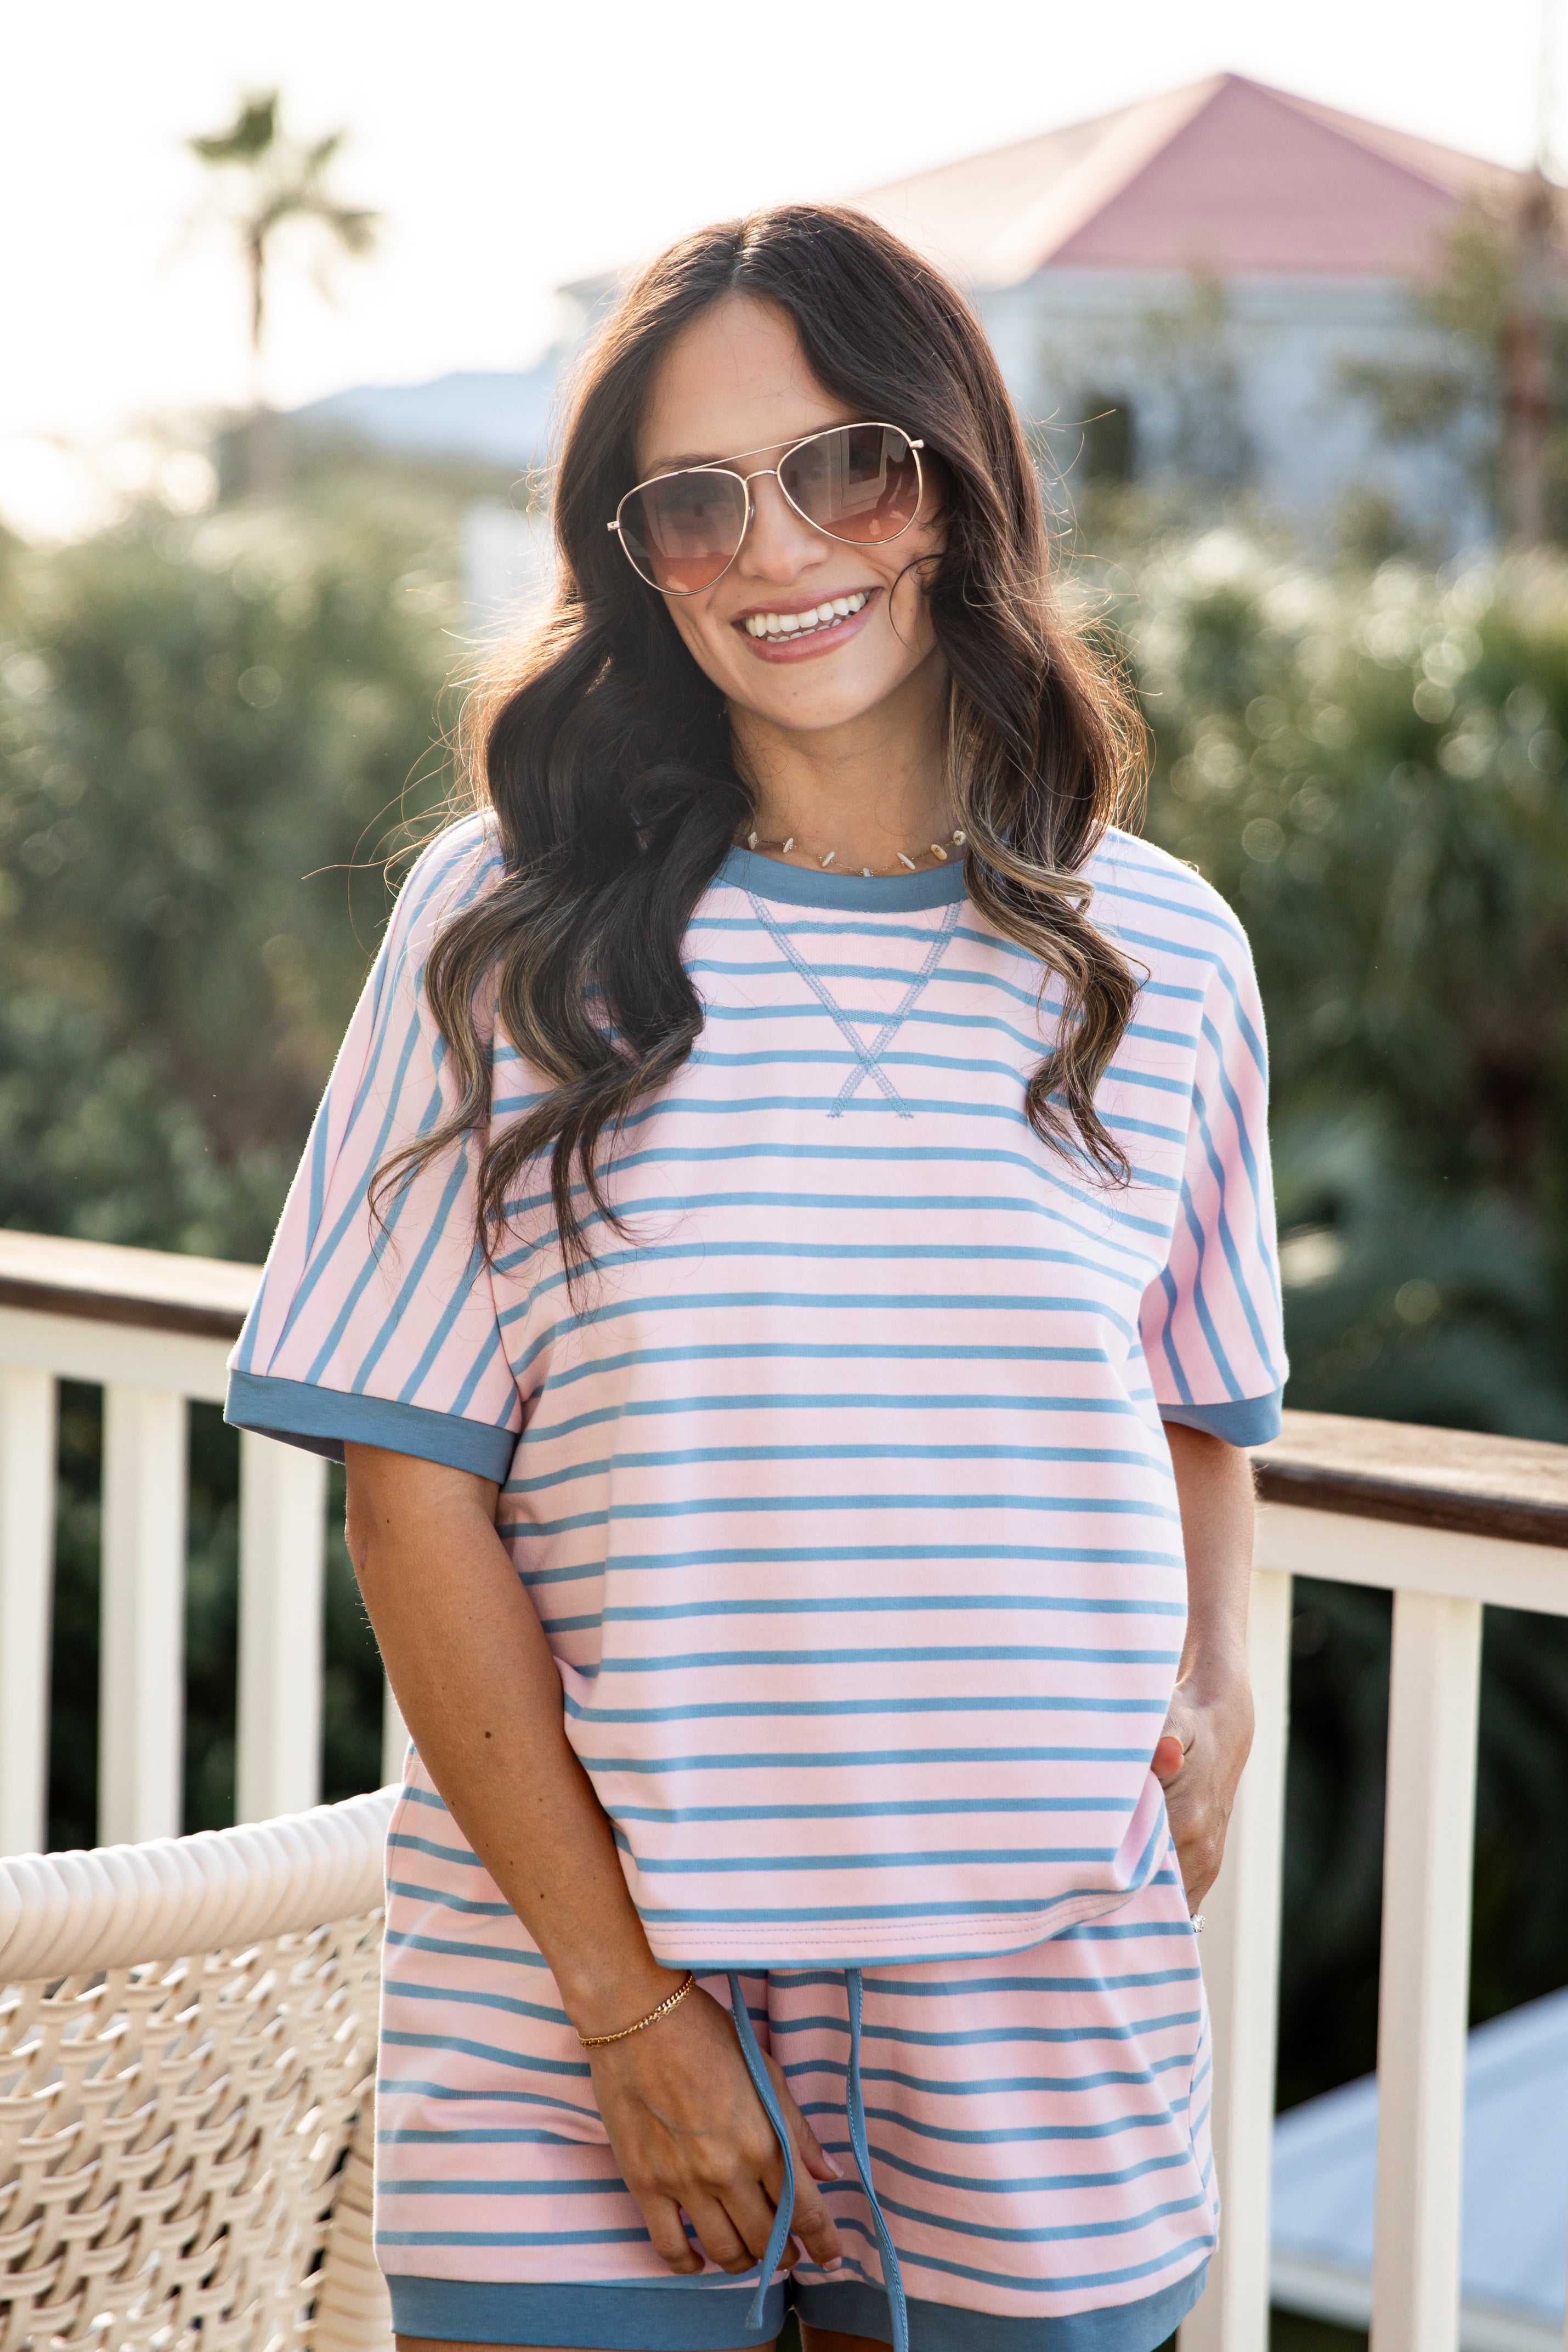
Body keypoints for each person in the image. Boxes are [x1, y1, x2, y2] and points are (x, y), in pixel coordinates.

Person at [227, 202, 1286, 2352]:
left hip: (1037, 2007)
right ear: (636, 559)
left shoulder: (1162, 954)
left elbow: (1191, 1403)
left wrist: (1212, 1690)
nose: (783, 548)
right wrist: (625, 2010)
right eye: (696, 501)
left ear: (952, 476)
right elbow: (408, 1486)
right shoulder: (497, 929)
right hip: (566, 1996)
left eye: (845, 468)